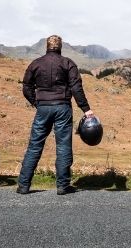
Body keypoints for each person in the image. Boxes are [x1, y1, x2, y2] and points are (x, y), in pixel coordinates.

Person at [17, 35, 95, 195]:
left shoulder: (36, 64)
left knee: (34, 146)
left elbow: (26, 87)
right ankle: (62, 186)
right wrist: (86, 109)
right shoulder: (68, 63)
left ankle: (23, 186)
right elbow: (76, 88)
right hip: (63, 108)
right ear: (60, 47)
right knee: (63, 146)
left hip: (43, 109)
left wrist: (37, 102)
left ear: (47, 46)